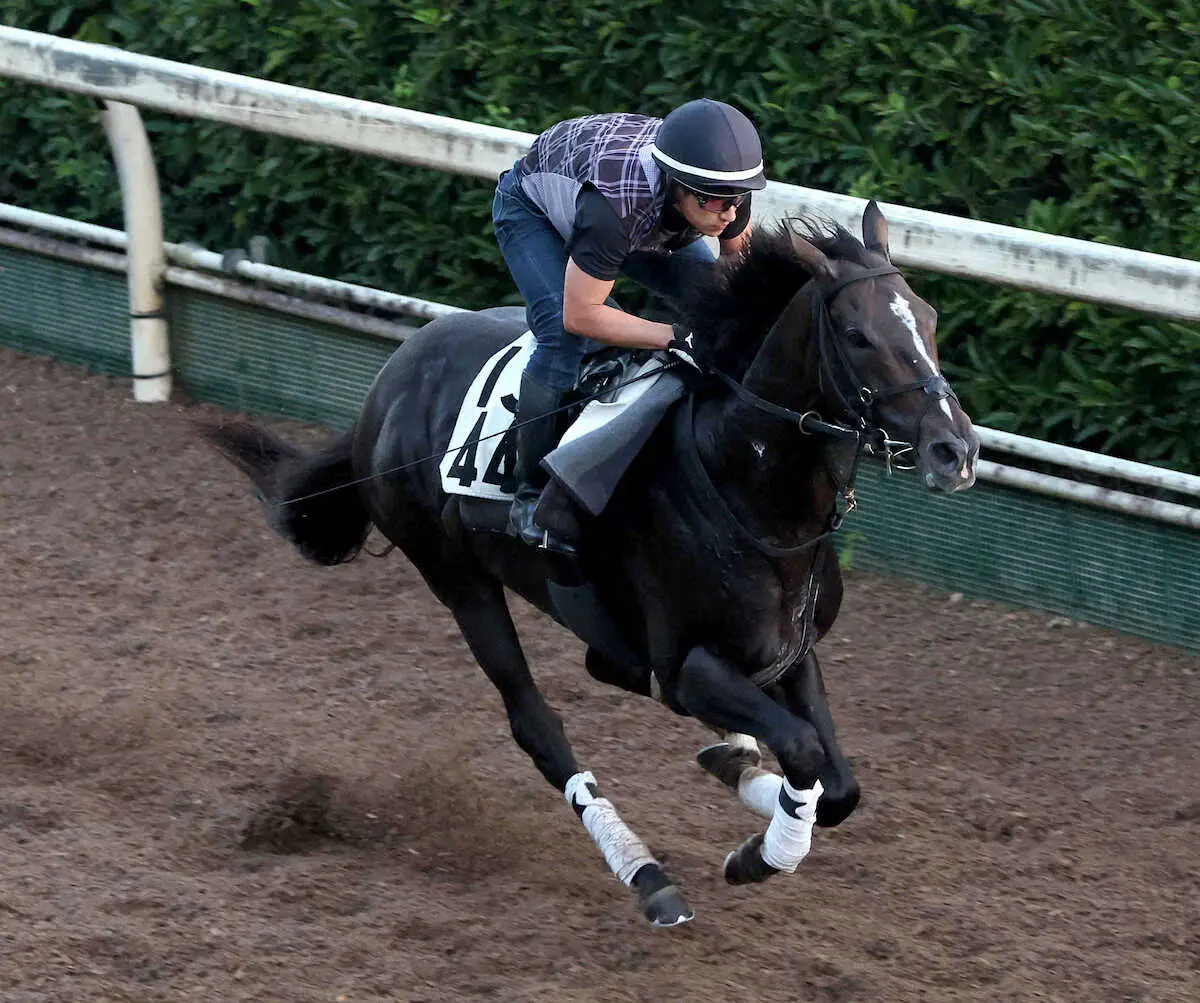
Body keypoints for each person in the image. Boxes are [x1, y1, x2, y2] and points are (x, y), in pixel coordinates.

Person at [492, 98, 768, 554]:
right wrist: (675, 336)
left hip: (633, 214)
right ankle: (529, 493)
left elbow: (737, 273)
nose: (728, 213)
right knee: (563, 338)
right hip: (535, 211)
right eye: (715, 201)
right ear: (679, 187)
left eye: (737, 200)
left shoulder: (725, 187)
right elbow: (581, 313)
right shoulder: (615, 208)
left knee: (720, 306)